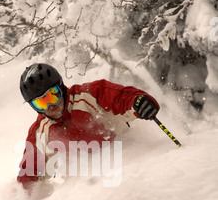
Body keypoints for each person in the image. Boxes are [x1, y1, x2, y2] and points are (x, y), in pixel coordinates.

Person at [17, 63, 160, 191]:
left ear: (61, 88)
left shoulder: (88, 95)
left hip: (127, 157)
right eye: (41, 103)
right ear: (34, 107)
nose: (51, 106)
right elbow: (29, 171)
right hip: (87, 184)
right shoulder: (41, 130)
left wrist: (138, 101)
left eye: (53, 96)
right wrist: (22, 196)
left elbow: (120, 97)